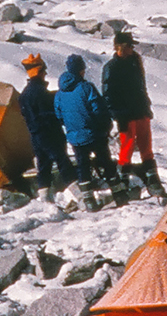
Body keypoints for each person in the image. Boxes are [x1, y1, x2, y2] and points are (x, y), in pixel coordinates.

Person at [53, 53, 128, 211]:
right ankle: (119, 195)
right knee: (106, 162)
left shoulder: (59, 93)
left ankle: (88, 201)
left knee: (83, 166)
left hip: (75, 137)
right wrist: (105, 127)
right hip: (94, 134)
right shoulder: (86, 88)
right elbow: (98, 109)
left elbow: (59, 115)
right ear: (80, 70)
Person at [102, 29, 167, 200]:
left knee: (146, 145)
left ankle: (153, 180)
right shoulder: (111, 67)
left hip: (140, 110)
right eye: (130, 46)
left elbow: (141, 87)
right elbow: (108, 94)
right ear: (120, 47)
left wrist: (146, 106)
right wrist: (116, 114)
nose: (133, 49)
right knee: (127, 146)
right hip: (125, 114)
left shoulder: (135, 62)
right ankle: (124, 182)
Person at [19, 54, 76, 199]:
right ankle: (82, 196)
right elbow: (50, 115)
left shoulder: (24, 94)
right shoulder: (42, 93)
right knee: (63, 163)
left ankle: (45, 200)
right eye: (44, 71)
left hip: (35, 136)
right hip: (50, 134)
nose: (46, 74)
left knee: (43, 168)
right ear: (39, 72)